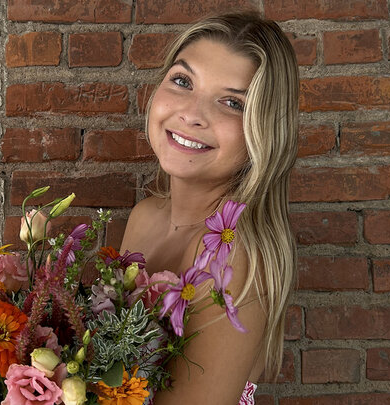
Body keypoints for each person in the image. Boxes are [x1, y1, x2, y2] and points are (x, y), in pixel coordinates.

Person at [120, 11, 299, 404]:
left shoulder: (232, 261)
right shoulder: (145, 217)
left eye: (232, 103)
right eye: (182, 81)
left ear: (263, 131)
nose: (191, 114)